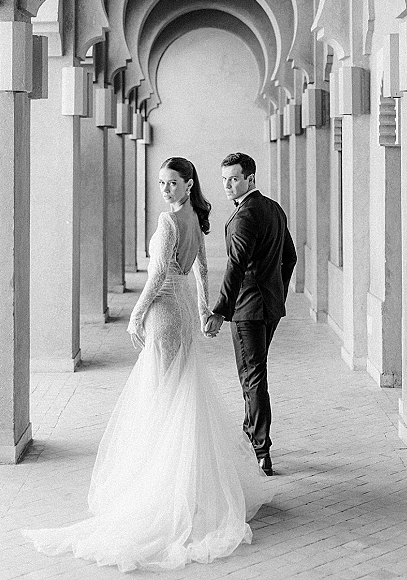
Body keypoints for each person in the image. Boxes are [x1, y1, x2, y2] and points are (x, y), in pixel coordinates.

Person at [23, 156, 272, 572]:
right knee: (179, 392)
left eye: (173, 183)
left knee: (161, 394)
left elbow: (157, 277)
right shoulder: (195, 218)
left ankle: (166, 491)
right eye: (161, 184)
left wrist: (137, 314)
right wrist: (201, 308)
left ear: (189, 185)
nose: (166, 190)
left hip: (162, 312)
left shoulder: (171, 221)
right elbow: (202, 269)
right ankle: (187, 485)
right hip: (181, 313)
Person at [204, 152, 297, 477]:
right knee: (254, 373)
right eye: (225, 179)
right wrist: (276, 293)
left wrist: (220, 310)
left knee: (252, 377)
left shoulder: (245, 217)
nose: (228, 185)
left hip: (248, 310)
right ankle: (251, 437)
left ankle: (260, 449)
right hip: (269, 307)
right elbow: (291, 258)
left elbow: (236, 267)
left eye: (234, 179)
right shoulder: (273, 208)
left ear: (250, 179)